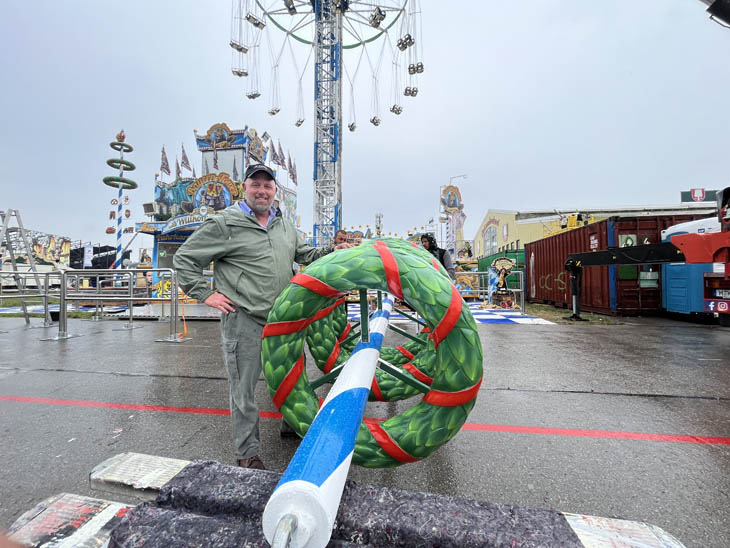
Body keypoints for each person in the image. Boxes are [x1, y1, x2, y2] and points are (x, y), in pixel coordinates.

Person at [174, 164, 352, 470]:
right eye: (255, 185)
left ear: (274, 192)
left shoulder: (285, 226)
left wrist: (335, 250)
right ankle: (248, 452)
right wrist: (205, 294)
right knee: (243, 390)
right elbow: (184, 259)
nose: (262, 191)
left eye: (268, 186)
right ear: (245, 188)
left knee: (290, 377)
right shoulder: (225, 223)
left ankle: (291, 424)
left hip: (284, 320)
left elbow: (306, 255)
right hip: (244, 319)